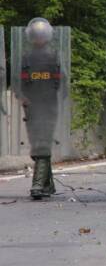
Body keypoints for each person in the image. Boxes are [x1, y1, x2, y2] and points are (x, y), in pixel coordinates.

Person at [20, 18, 63, 201]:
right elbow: (18, 82)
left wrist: (55, 102)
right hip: (32, 106)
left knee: (42, 143)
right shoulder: (26, 58)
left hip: (47, 106)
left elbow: (63, 83)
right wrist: (22, 97)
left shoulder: (54, 57)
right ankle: (48, 184)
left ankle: (37, 184)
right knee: (37, 144)